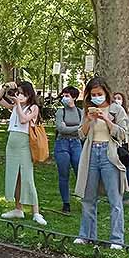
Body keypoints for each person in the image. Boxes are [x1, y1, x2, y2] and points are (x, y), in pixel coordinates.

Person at [74, 76, 128, 250]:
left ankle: (117, 239)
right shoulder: (88, 110)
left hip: (109, 154)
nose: (97, 97)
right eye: (93, 94)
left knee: (115, 199)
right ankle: (86, 235)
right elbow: (81, 134)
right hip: (91, 153)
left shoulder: (116, 109)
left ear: (106, 92)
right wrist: (89, 120)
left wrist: (106, 119)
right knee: (88, 198)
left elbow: (124, 134)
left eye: (99, 93)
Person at [0, 80, 46, 225]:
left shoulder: (33, 108)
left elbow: (24, 120)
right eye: (18, 93)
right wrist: (6, 87)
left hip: (24, 144)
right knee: (14, 176)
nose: (19, 96)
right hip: (12, 144)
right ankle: (18, 208)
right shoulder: (15, 107)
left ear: (29, 95)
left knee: (27, 177)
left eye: (22, 94)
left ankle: (36, 211)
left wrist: (17, 104)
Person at [54, 86, 83, 214]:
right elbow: (61, 129)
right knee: (63, 173)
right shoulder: (61, 112)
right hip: (62, 143)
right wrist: (77, 128)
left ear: (74, 97)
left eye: (67, 96)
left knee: (80, 172)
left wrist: (72, 128)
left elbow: (84, 130)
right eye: (63, 96)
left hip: (76, 144)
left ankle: (84, 200)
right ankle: (66, 202)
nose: (65, 98)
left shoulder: (80, 112)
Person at [112, 92, 129, 190]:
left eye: (119, 98)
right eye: (115, 98)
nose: (117, 100)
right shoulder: (111, 111)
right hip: (114, 141)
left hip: (125, 141)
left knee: (127, 162)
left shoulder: (126, 112)